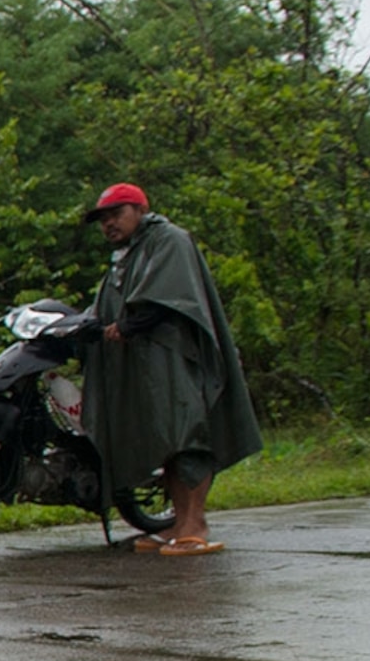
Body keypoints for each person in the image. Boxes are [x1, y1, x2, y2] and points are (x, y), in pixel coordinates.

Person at [84, 182, 261, 556]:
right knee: (166, 442)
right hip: (147, 368)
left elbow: (168, 297)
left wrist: (128, 325)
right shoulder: (127, 253)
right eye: (103, 219)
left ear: (139, 209)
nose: (108, 224)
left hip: (177, 360)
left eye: (116, 214)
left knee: (187, 436)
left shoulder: (169, 240)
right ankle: (178, 525)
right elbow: (108, 307)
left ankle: (195, 525)